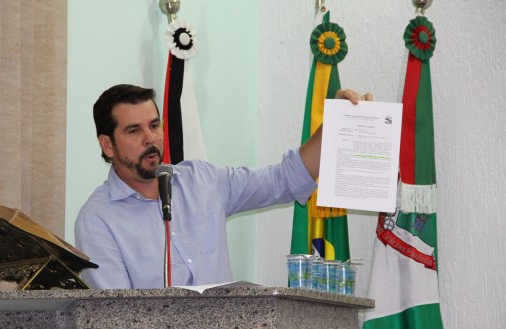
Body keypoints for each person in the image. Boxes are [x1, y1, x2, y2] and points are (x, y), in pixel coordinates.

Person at [75, 84, 370, 289]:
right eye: (133, 130)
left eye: (154, 125)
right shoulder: (97, 220)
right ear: (107, 145)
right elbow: (114, 318)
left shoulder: (202, 181)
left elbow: (283, 180)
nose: (150, 139)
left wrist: (334, 125)